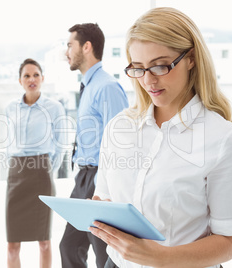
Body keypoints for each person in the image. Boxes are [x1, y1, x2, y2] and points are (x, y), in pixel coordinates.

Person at [89, 7, 232, 268]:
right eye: (138, 68)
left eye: (160, 66)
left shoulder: (224, 140)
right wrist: (99, 211)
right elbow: (105, 197)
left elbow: (228, 241)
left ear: (191, 59)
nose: (148, 80)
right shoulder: (119, 127)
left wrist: (161, 258)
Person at [59, 23, 129, 268]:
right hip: (83, 177)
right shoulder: (89, 86)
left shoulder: (107, 87)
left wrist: (106, 186)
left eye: (70, 45)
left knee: (103, 252)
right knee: (69, 245)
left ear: (86, 47)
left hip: (99, 178)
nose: (65, 52)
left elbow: (121, 142)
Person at [5, 58, 67, 268]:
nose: (32, 79)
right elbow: (7, 142)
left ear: (42, 78)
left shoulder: (54, 107)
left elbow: (60, 144)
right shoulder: (10, 107)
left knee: (44, 242)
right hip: (16, 174)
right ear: (20, 80)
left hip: (41, 173)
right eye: (27, 76)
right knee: (12, 245)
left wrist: (49, 171)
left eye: (36, 75)